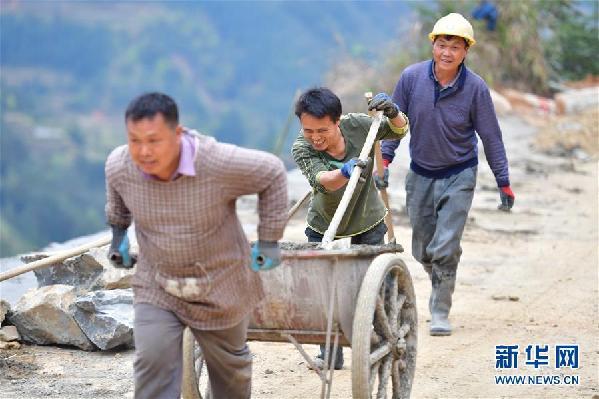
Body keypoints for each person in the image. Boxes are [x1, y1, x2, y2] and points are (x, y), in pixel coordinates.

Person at [105, 92, 288, 398]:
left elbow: (272, 171)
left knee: (229, 374)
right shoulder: (120, 165)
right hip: (158, 284)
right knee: (152, 363)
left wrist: (269, 240)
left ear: (178, 134)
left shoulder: (215, 162)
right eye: (134, 140)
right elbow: (118, 198)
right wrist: (118, 235)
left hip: (222, 286)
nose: (143, 151)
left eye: (153, 140)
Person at [379, 13, 515, 336]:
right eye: (442, 45)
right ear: (433, 46)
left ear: (465, 51)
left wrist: (504, 182)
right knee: (423, 250)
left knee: (446, 246)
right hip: (420, 174)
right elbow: (394, 126)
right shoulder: (411, 79)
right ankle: (442, 273)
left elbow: (491, 137)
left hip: (459, 174)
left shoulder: (476, 89)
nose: (447, 53)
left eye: (455, 47)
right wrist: (384, 162)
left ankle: (440, 310)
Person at [291, 87, 409, 369]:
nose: (315, 137)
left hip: (367, 221)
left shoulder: (359, 126)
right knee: (325, 294)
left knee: (375, 288)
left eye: (322, 130)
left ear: (338, 121)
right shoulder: (302, 147)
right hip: (325, 227)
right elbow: (322, 179)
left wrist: (393, 113)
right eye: (308, 130)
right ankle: (330, 354)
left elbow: (399, 130)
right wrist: (344, 171)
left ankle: (382, 344)